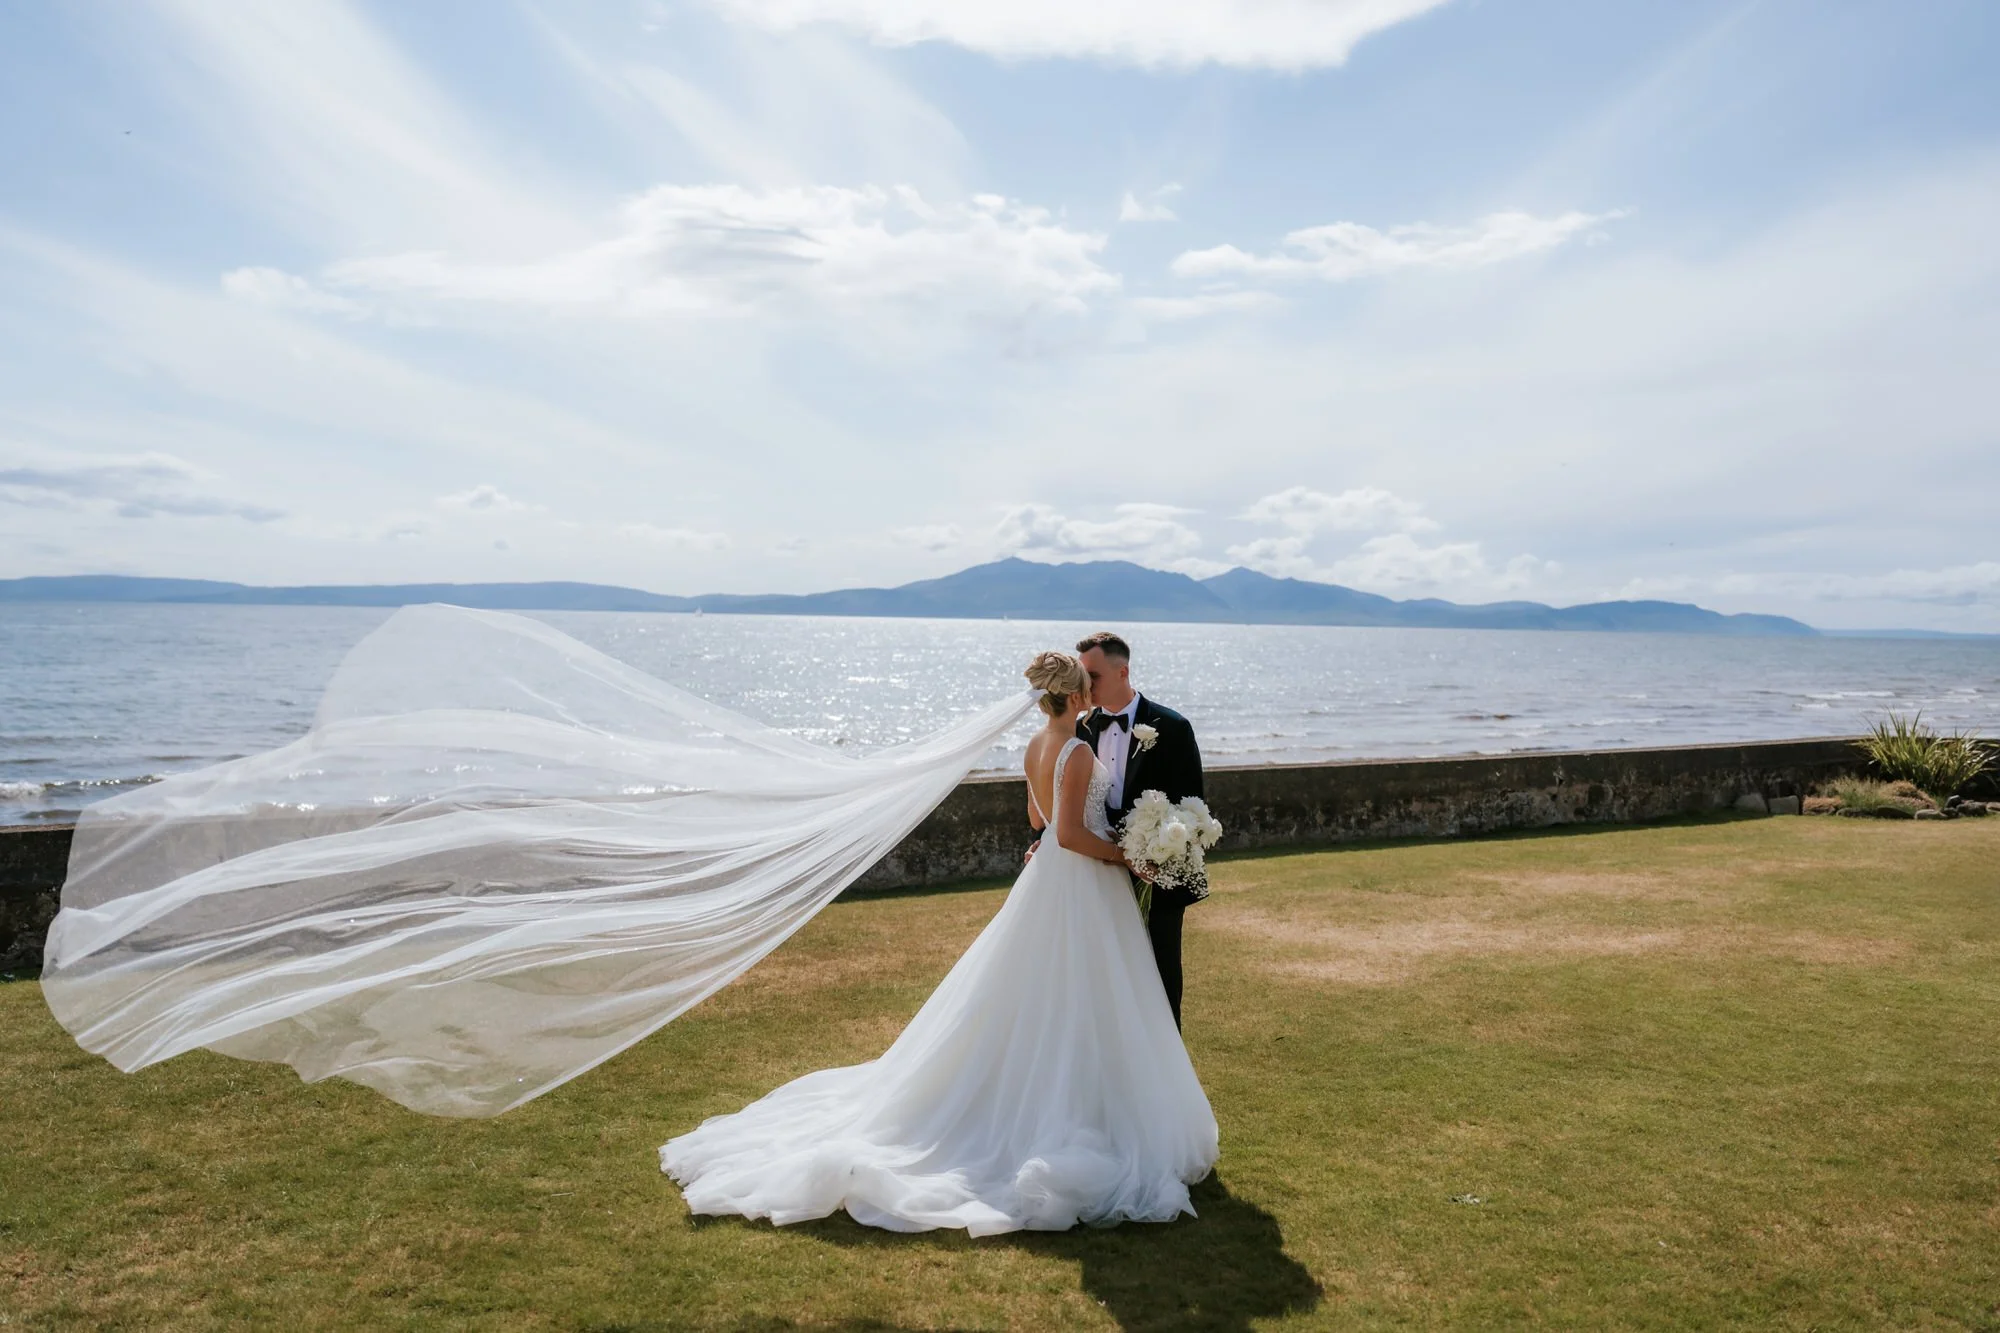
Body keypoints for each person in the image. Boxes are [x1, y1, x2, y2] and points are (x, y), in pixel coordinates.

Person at [661, 650, 1217, 1234]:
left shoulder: (1033, 746)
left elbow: (1040, 818)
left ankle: (1052, 1096)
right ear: (1076, 695)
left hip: (1050, 880)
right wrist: (1129, 856)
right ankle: (1087, 1110)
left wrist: (1075, 837)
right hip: (1082, 880)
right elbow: (1075, 833)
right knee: (1086, 990)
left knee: (1042, 992)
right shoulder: (1076, 749)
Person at [1031, 632, 1207, 1028]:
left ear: (1122, 670)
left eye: (1090, 675)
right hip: (1091, 878)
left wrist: (1157, 851)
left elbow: (1193, 807)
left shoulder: (1174, 728)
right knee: (1098, 985)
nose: (1083, 685)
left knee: (1160, 981)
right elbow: (1058, 805)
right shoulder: (1076, 731)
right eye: (1079, 675)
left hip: (1155, 877)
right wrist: (1040, 842)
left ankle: (1166, 1074)